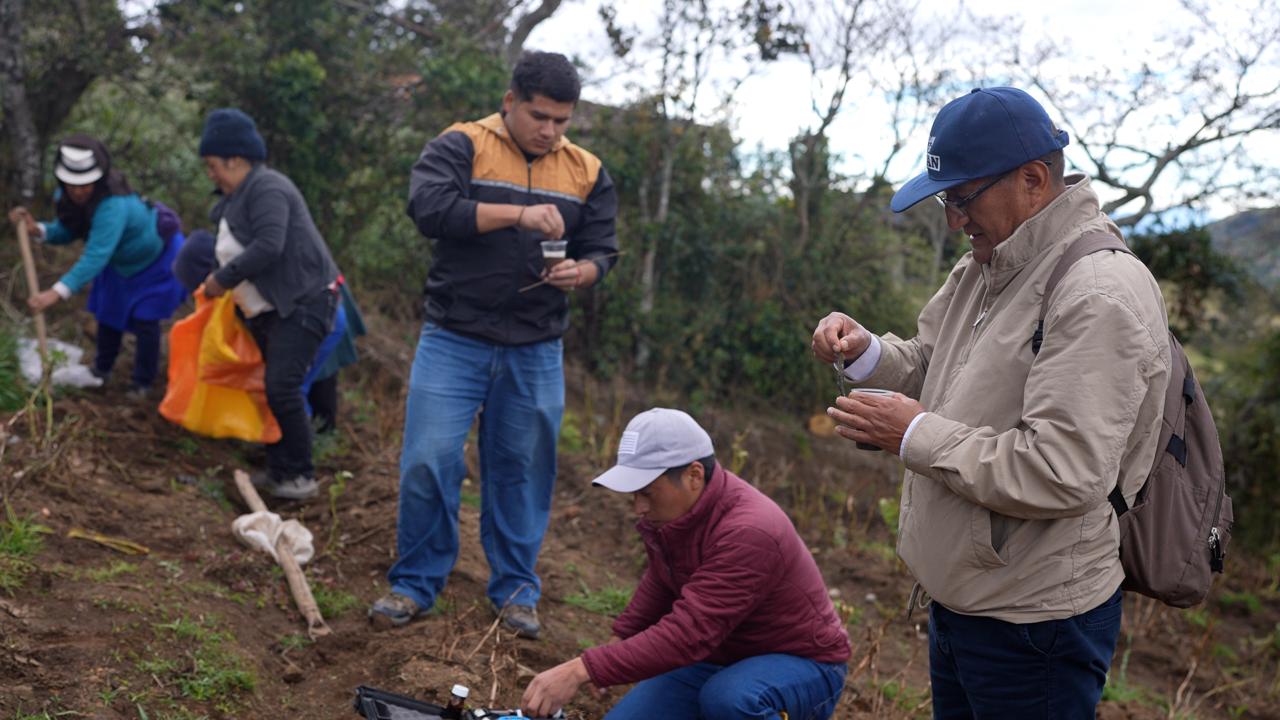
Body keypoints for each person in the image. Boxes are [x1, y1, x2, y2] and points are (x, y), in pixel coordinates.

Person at [810, 87, 1172, 717]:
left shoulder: (1098, 293)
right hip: (966, 595)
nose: (954, 218)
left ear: (1033, 180)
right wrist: (866, 353)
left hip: (1035, 621)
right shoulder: (988, 263)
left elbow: (1063, 471)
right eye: (946, 199)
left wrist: (914, 433)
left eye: (961, 197)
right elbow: (934, 364)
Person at [368, 50, 619, 637]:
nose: (550, 130)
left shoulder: (586, 170)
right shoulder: (462, 144)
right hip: (455, 335)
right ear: (509, 102)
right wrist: (519, 214)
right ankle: (414, 583)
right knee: (429, 458)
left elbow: (603, 249)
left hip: (536, 345)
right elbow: (428, 209)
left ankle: (515, 591)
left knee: (523, 468)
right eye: (539, 116)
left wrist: (581, 273)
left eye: (562, 120)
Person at [520, 408, 850, 719]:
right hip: (719, 656)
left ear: (694, 475)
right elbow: (662, 579)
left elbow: (689, 634)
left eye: (647, 493)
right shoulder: (678, 515)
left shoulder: (749, 531)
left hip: (802, 664)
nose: (638, 508)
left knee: (730, 700)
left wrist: (583, 668)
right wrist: (621, 639)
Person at [198, 108, 341, 501]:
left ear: (237, 159)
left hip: (305, 302)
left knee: (283, 386)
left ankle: (300, 476)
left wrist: (220, 281)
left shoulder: (268, 188)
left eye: (214, 165)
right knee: (273, 387)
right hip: (272, 310)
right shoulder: (237, 196)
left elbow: (269, 245)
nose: (211, 174)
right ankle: (280, 467)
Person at [8, 135, 186, 396]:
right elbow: (69, 230)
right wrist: (39, 230)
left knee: (146, 319)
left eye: (85, 184)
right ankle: (101, 371)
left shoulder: (113, 205)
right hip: (120, 262)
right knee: (108, 313)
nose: (79, 191)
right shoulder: (67, 197)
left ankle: (143, 383)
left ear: (99, 178)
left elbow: (96, 255)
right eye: (72, 185)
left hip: (156, 261)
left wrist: (55, 292)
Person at [173, 228, 364, 435]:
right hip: (323, 310)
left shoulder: (253, 278)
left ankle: (303, 448)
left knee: (291, 390)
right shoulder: (245, 259)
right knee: (304, 381)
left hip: (320, 315)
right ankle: (310, 440)